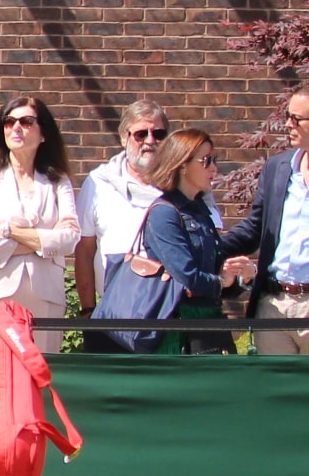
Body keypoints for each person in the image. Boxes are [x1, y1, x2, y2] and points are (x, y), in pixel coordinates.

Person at [104, 129, 247, 353]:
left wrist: (239, 277)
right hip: (178, 328)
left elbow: (213, 271)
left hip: (209, 324)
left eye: (214, 160)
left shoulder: (201, 210)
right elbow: (187, 276)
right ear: (182, 164)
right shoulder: (165, 213)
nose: (214, 168)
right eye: (206, 161)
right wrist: (222, 281)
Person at [0, 95, 80, 334]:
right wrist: (45, 241)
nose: (16, 127)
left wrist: (8, 231)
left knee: (41, 369)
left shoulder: (58, 179)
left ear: (43, 133)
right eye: (9, 121)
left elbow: (70, 239)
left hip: (46, 295)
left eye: (26, 121)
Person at [222, 88, 309, 355]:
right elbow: (256, 227)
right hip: (273, 304)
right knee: (276, 393)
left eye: (296, 119)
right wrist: (212, 248)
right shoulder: (278, 168)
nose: (287, 125)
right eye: (287, 116)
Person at [75, 100, 171, 305]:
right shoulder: (98, 183)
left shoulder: (181, 184)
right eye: (141, 134)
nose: (150, 141)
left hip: (170, 311)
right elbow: (84, 250)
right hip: (114, 309)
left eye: (159, 134)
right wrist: (87, 310)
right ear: (123, 138)